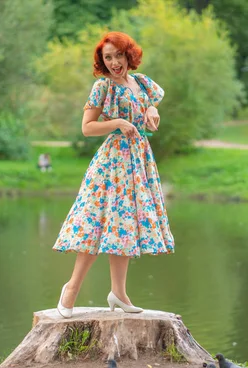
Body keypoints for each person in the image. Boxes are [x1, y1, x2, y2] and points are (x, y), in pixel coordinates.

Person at [52, 31, 175, 318]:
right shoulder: (102, 87)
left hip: (138, 161)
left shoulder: (141, 82)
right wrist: (118, 122)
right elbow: (87, 127)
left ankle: (118, 294)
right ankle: (70, 289)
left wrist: (152, 111)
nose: (114, 62)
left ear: (128, 54)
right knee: (97, 224)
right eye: (107, 58)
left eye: (118, 55)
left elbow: (150, 104)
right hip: (112, 164)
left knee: (124, 226)